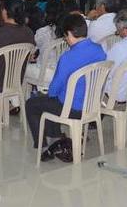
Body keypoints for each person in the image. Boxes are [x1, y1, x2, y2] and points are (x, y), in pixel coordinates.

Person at [26, 14, 107, 160]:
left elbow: (53, 90)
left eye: (65, 36)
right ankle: (55, 138)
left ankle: (43, 146)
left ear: (69, 33)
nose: (66, 40)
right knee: (49, 102)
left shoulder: (68, 57)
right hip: (92, 105)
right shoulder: (99, 50)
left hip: (73, 109)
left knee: (33, 103)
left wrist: (49, 94)